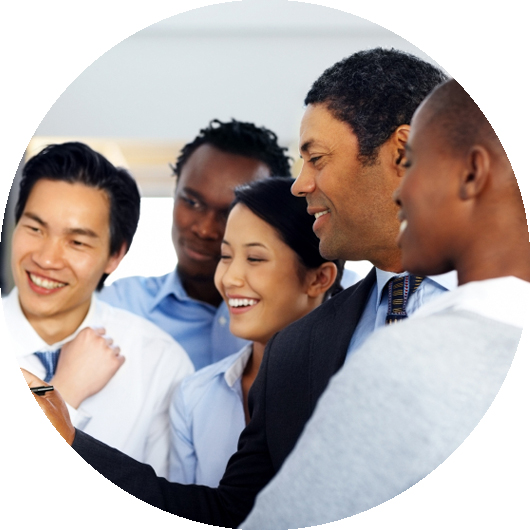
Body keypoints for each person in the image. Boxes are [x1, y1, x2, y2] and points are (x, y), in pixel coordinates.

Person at [22, 49, 454, 527]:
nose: (299, 184)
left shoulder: (509, 298)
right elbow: (232, 513)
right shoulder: (296, 348)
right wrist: (69, 440)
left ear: (402, 153)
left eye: (316, 159)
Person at [240, 78, 530, 529]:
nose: (402, 191)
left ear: (471, 173)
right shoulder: (297, 348)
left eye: (413, 164)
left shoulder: (408, 359)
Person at [8, 142, 193, 478]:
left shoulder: (160, 363)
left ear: (115, 256)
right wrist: (62, 394)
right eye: (35, 228)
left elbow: (164, 503)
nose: (46, 259)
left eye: (77, 242)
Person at [169, 177, 343, 486]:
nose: (229, 278)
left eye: (255, 258)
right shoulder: (195, 396)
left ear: (318, 279)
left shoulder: (350, 388)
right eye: (225, 256)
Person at [98, 119, 293, 370]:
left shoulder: (300, 316)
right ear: (175, 190)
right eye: (191, 202)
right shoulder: (118, 305)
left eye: (230, 212)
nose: (205, 229)